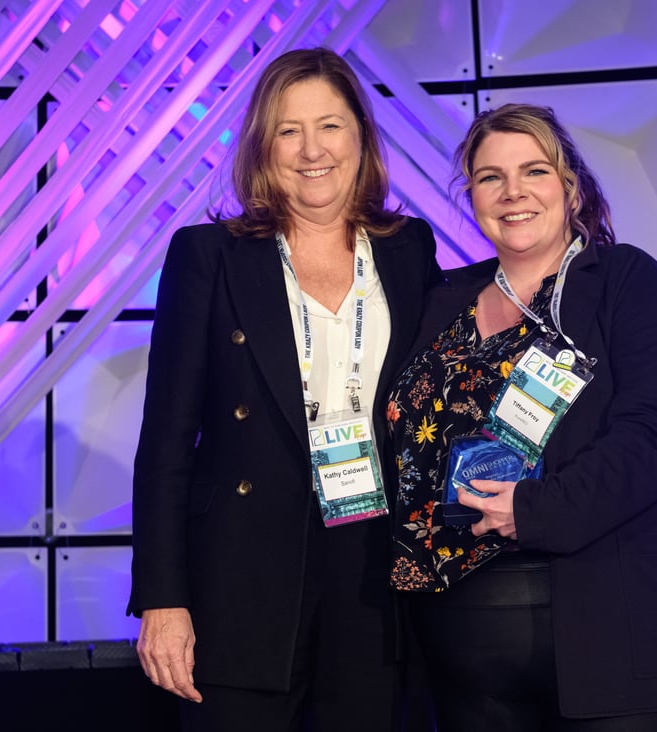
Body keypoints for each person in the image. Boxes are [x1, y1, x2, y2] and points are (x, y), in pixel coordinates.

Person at [128, 47, 441, 731]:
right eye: (288, 130)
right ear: (262, 147)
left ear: (360, 135)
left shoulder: (410, 248)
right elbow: (166, 443)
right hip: (240, 574)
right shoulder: (207, 257)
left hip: (374, 567)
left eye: (329, 126)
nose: (311, 150)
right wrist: (162, 598)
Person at [386, 103, 657, 731]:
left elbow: (651, 438)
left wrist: (531, 510)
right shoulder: (440, 302)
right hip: (461, 658)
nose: (513, 192)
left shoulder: (626, 282)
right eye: (490, 177)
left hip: (614, 637)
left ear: (570, 187)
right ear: (472, 195)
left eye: (534, 171)